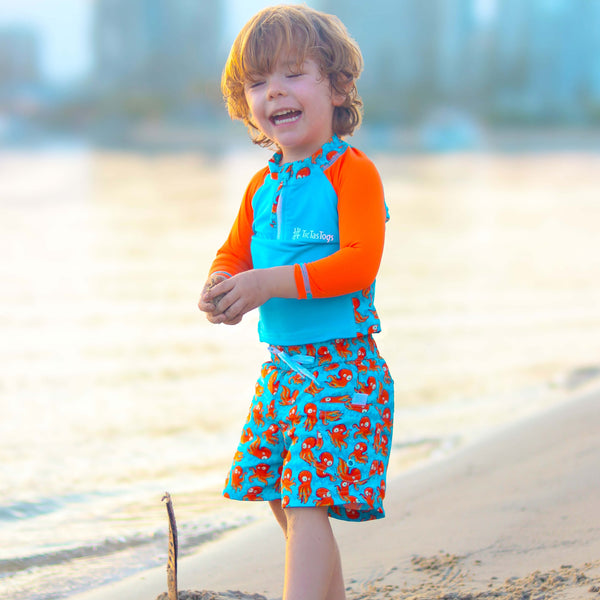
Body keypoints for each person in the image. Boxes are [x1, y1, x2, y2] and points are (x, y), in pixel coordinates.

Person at [198, 5, 394, 599]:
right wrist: (223, 285)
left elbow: (358, 262)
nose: (274, 90)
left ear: (337, 87)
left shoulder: (353, 175)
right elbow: (235, 252)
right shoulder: (263, 184)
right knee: (283, 503)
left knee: (307, 507)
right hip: (283, 372)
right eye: (258, 82)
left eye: (292, 73)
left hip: (344, 369)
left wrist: (266, 284)